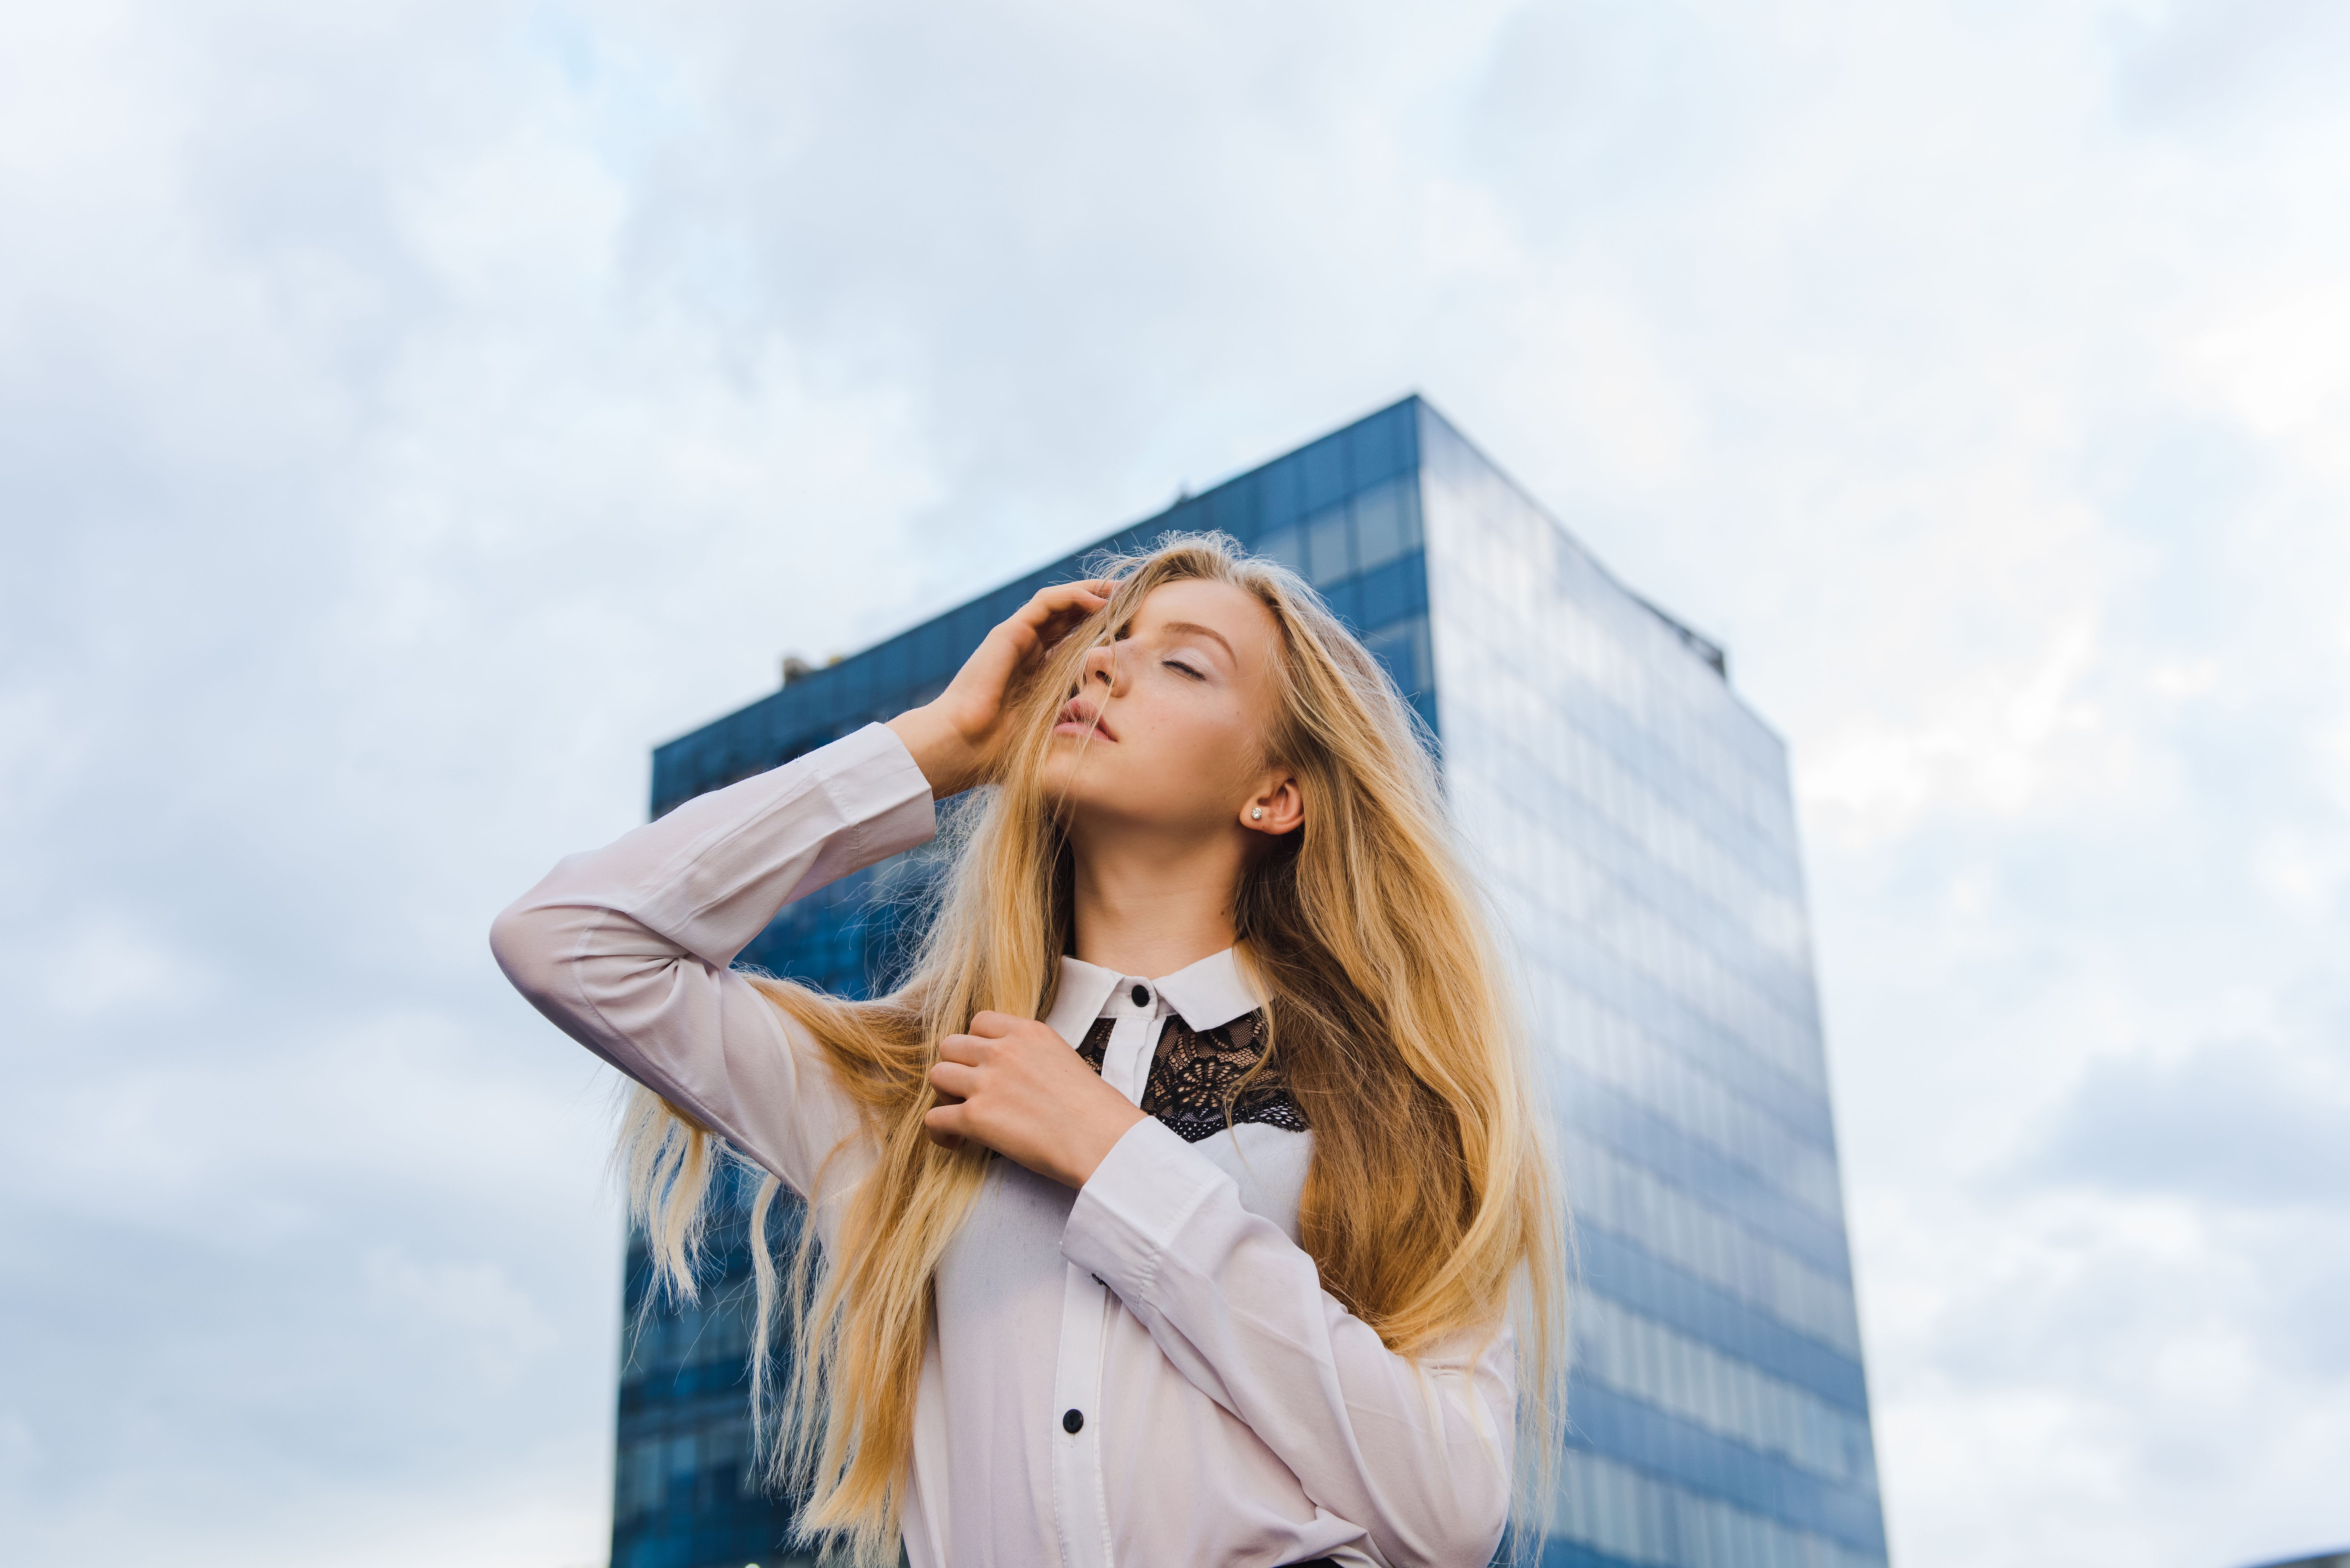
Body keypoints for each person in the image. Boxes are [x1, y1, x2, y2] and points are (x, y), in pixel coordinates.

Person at [491, 534, 1568, 1568]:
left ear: (1274, 794)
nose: (1103, 662)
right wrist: (936, 749)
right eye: (1111, 641)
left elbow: (1449, 1512)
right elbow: (570, 942)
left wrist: (1120, 1162)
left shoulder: (1393, 1101)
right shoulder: (903, 1093)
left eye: (1182, 662)